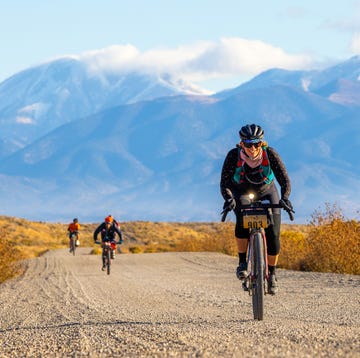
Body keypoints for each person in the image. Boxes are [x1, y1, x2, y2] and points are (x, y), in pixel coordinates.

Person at [220, 124, 292, 294]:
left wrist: (285, 198)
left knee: (273, 234)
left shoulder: (270, 154)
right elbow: (225, 183)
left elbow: (284, 180)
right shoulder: (233, 156)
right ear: (241, 143)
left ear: (262, 143)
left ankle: (272, 274)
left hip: (267, 191)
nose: (252, 148)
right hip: (242, 192)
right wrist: (229, 199)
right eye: (248, 144)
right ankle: (242, 263)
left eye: (257, 144)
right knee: (242, 222)